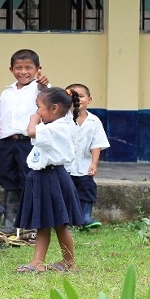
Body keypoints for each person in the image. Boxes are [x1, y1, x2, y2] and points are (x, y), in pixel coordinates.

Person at [0, 49, 50, 234]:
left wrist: (44, 83)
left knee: (30, 182)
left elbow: (49, 96)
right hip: (8, 144)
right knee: (9, 182)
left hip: (29, 144)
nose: (23, 72)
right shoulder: (7, 93)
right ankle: (10, 225)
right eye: (18, 68)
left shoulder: (41, 89)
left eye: (29, 68)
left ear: (38, 69)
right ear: (11, 69)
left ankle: (31, 226)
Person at [15, 87, 84, 273]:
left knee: (60, 225)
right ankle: (37, 262)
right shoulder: (53, 126)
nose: (37, 111)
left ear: (54, 109)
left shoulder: (58, 128)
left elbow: (31, 132)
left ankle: (69, 262)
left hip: (52, 177)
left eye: (39, 107)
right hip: (42, 177)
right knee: (43, 223)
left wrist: (33, 120)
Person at [66, 83, 110, 230]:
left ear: (89, 99)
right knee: (65, 190)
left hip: (84, 165)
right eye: (73, 96)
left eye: (81, 96)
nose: (77, 99)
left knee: (87, 188)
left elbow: (96, 144)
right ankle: (66, 220)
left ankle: (85, 217)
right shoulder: (62, 119)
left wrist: (94, 163)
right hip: (64, 165)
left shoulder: (94, 121)